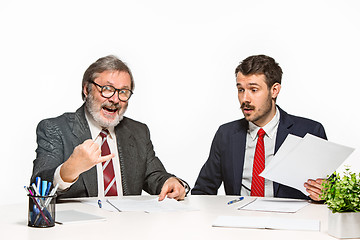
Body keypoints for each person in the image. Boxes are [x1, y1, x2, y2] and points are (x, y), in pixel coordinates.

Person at [31, 55, 189, 201]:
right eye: (107, 89)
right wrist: (69, 170)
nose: (115, 99)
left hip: (128, 226)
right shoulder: (55, 128)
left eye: (123, 92)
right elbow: (37, 186)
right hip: (78, 229)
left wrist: (171, 182)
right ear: (87, 89)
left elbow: (155, 176)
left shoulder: (138, 132)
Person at [192, 54, 326, 201]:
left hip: (290, 221)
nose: (245, 99)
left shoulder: (308, 132)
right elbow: (203, 191)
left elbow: (330, 190)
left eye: (254, 90)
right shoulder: (226, 134)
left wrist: (325, 192)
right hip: (238, 219)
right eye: (241, 90)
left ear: (274, 90)